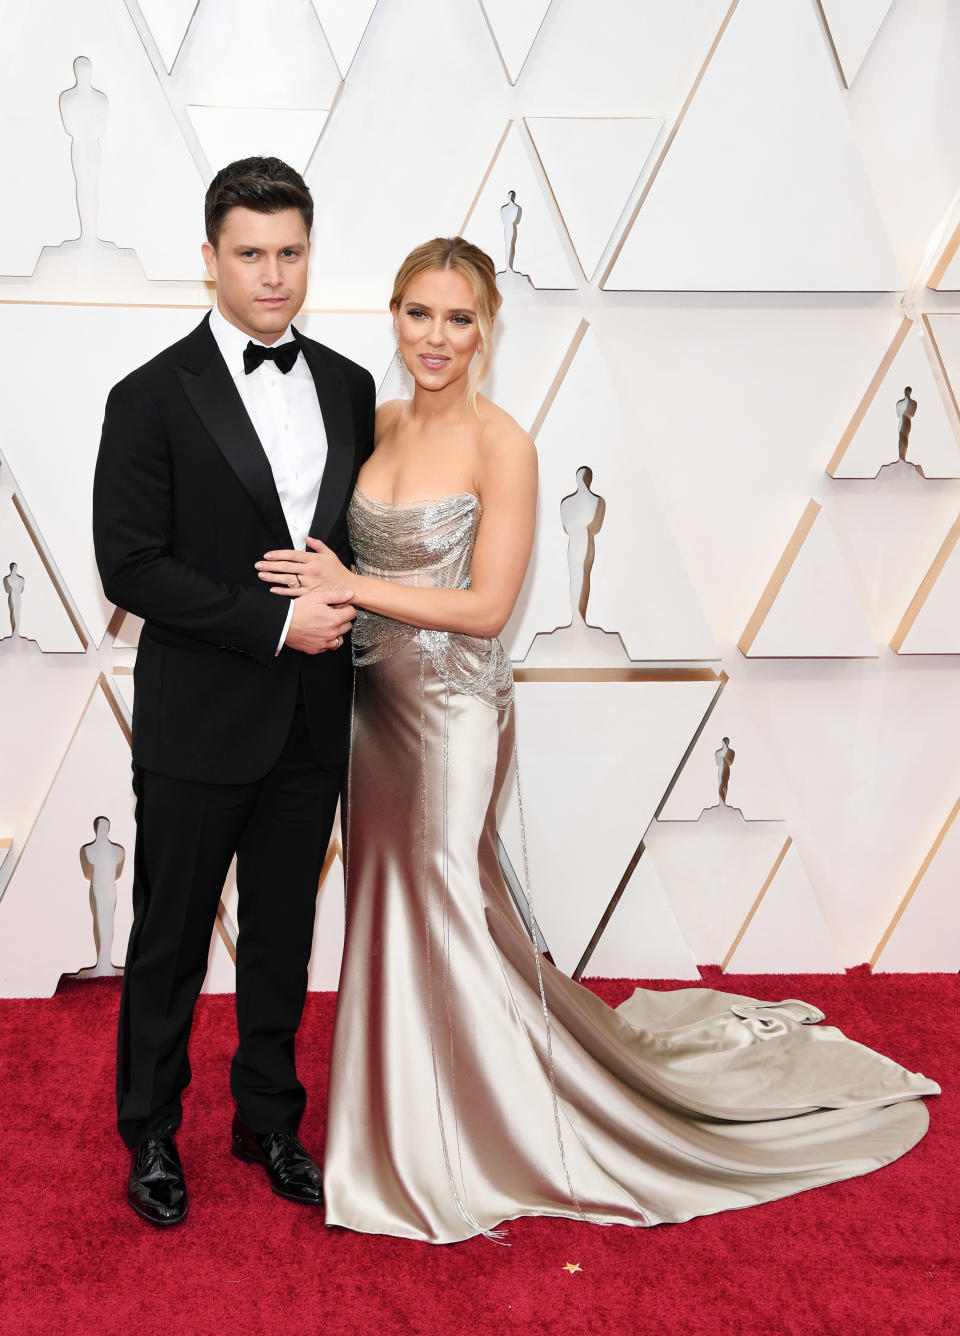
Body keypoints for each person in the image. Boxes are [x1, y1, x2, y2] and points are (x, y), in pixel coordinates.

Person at [255, 237, 939, 1244]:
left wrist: (351, 585)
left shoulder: (505, 445)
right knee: (395, 902)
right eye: (419, 314)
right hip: (369, 710)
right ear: (394, 316)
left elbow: (487, 607)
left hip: (449, 711)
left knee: (441, 894)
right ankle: (410, 1112)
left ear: (488, 328)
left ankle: (481, 1132)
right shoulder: (377, 420)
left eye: (460, 318)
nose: (437, 337)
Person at [93, 156, 375, 1227]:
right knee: (168, 937)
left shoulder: (350, 385)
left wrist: (345, 604)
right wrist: (273, 622)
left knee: (282, 934)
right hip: (199, 714)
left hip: (315, 717)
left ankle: (267, 1120)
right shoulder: (150, 395)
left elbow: (351, 539)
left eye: (291, 252)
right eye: (251, 254)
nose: (273, 275)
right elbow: (130, 565)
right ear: (209, 259)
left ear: (311, 253)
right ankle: (152, 1132)